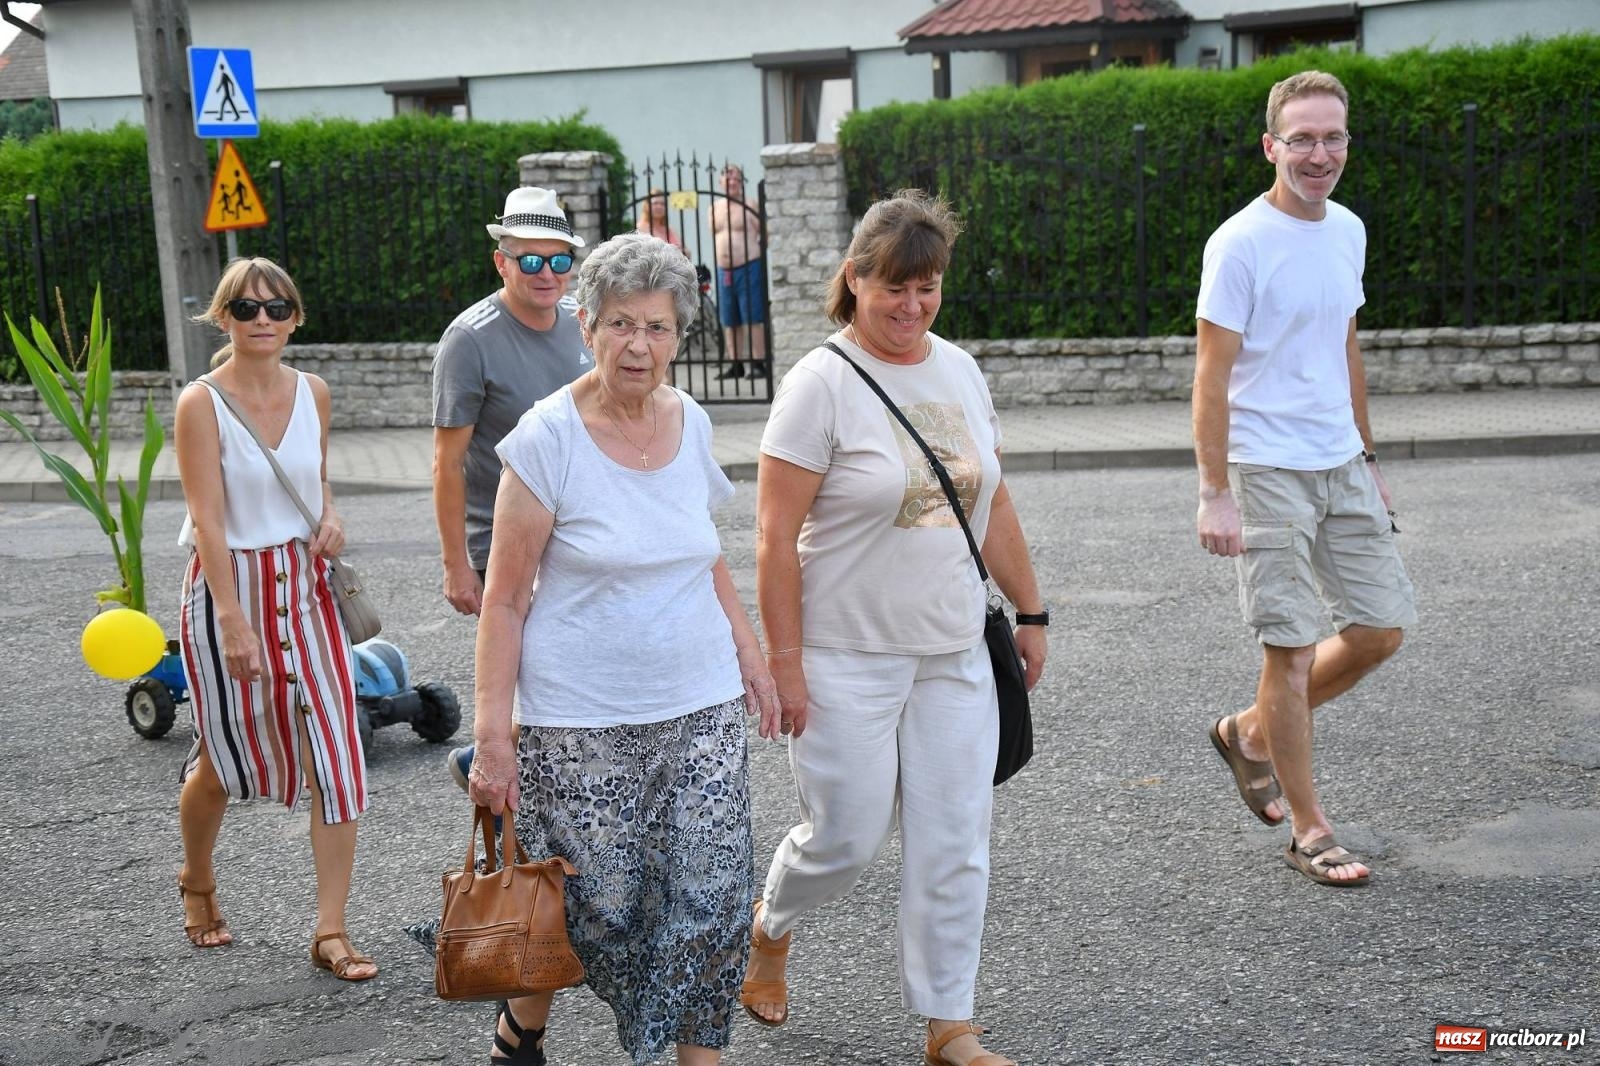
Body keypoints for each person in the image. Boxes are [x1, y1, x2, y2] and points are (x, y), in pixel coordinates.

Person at [744, 190, 1047, 1066]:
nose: (912, 306)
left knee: (955, 841)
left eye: (928, 287)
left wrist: (1031, 609)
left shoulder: (960, 369)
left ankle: (949, 1024)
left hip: (952, 649)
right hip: (845, 654)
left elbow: (992, 502)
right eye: (894, 288)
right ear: (854, 279)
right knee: (845, 836)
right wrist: (785, 664)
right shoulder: (819, 385)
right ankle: (771, 924)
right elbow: (773, 537)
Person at [466, 232, 782, 1066]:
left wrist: (751, 656)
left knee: (710, 900)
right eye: (620, 324)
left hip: (701, 703)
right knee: (593, 908)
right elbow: (504, 600)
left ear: (680, 336)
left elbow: (702, 553)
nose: (639, 345)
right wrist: (493, 739)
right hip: (581, 720)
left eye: (657, 327)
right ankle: (521, 1027)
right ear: (586, 326)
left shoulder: (692, 419)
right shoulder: (546, 439)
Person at [1193, 70, 1417, 888]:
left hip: (1339, 459)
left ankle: (1251, 732)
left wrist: (1369, 457)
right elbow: (1211, 374)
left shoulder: (1348, 230)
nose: (1318, 155)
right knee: (1287, 649)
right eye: (1302, 139)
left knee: (1381, 628)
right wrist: (1215, 490)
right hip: (1264, 467)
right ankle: (1311, 831)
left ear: (1347, 143)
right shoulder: (1240, 243)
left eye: (1332, 138)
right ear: (1271, 146)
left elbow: (1343, 345)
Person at [172, 256, 376, 981]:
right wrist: (231, 619)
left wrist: (331, 516)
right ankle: (197, 876)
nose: (263, 319)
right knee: (223, 758)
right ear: (222, 317)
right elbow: (208, 519)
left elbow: (315, 481)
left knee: (337, 754)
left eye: (277, 307)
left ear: (295, 318)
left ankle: (331, 931)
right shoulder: (201, 403)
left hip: (306, 583)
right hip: (231, 587)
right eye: (247, 308)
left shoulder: (313, 392)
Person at [432, 186, 592, 785]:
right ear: (501, 261)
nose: (546, 273)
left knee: (573, 669)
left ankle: (499, 764)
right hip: (505, 538)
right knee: (534, 672)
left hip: (579, 530)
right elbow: (447, 462)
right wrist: (456, 565)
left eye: (558, 259)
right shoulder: (469, 338)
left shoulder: (582, 321)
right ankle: (503, 780)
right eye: (529, 260)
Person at [707, 164, 765, 379]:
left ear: (741, 182)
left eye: (736, 179)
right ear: (720, 182)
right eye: (728, 178)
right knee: (729, 318)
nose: (732, 182)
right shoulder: (714, 208)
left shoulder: (750, 205)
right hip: (724, 270)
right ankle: (736, 363)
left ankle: (758, 362)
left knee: (752, 316)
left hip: (748, 265)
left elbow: (764, 234)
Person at [635, 187, 687, 255]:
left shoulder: (670, 230)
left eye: (663, 204)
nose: (659, 206)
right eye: (655, 203)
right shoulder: (640, 228)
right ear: (647, 206)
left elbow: (685, 251)